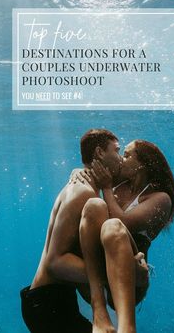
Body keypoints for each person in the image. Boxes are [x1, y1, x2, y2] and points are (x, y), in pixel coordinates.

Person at [20, 129, 124, 333]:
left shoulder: (84, 187)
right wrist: (116, 272)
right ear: (100, 152)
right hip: (48, 303)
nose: (120, 158)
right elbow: (56, 263)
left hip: (47, 300)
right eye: (116, 151)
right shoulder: (82, 192)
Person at [78, 139, 174, 333]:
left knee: (112, 226)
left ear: (142, 164)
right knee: (91, 208)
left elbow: (121, 222)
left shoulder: (160, 198)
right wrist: (78, 172)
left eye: (127, 155)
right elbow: (89, 172)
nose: (121, 160)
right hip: (99, 271)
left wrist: (106, 188)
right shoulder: (121, 183)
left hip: (130, 282)